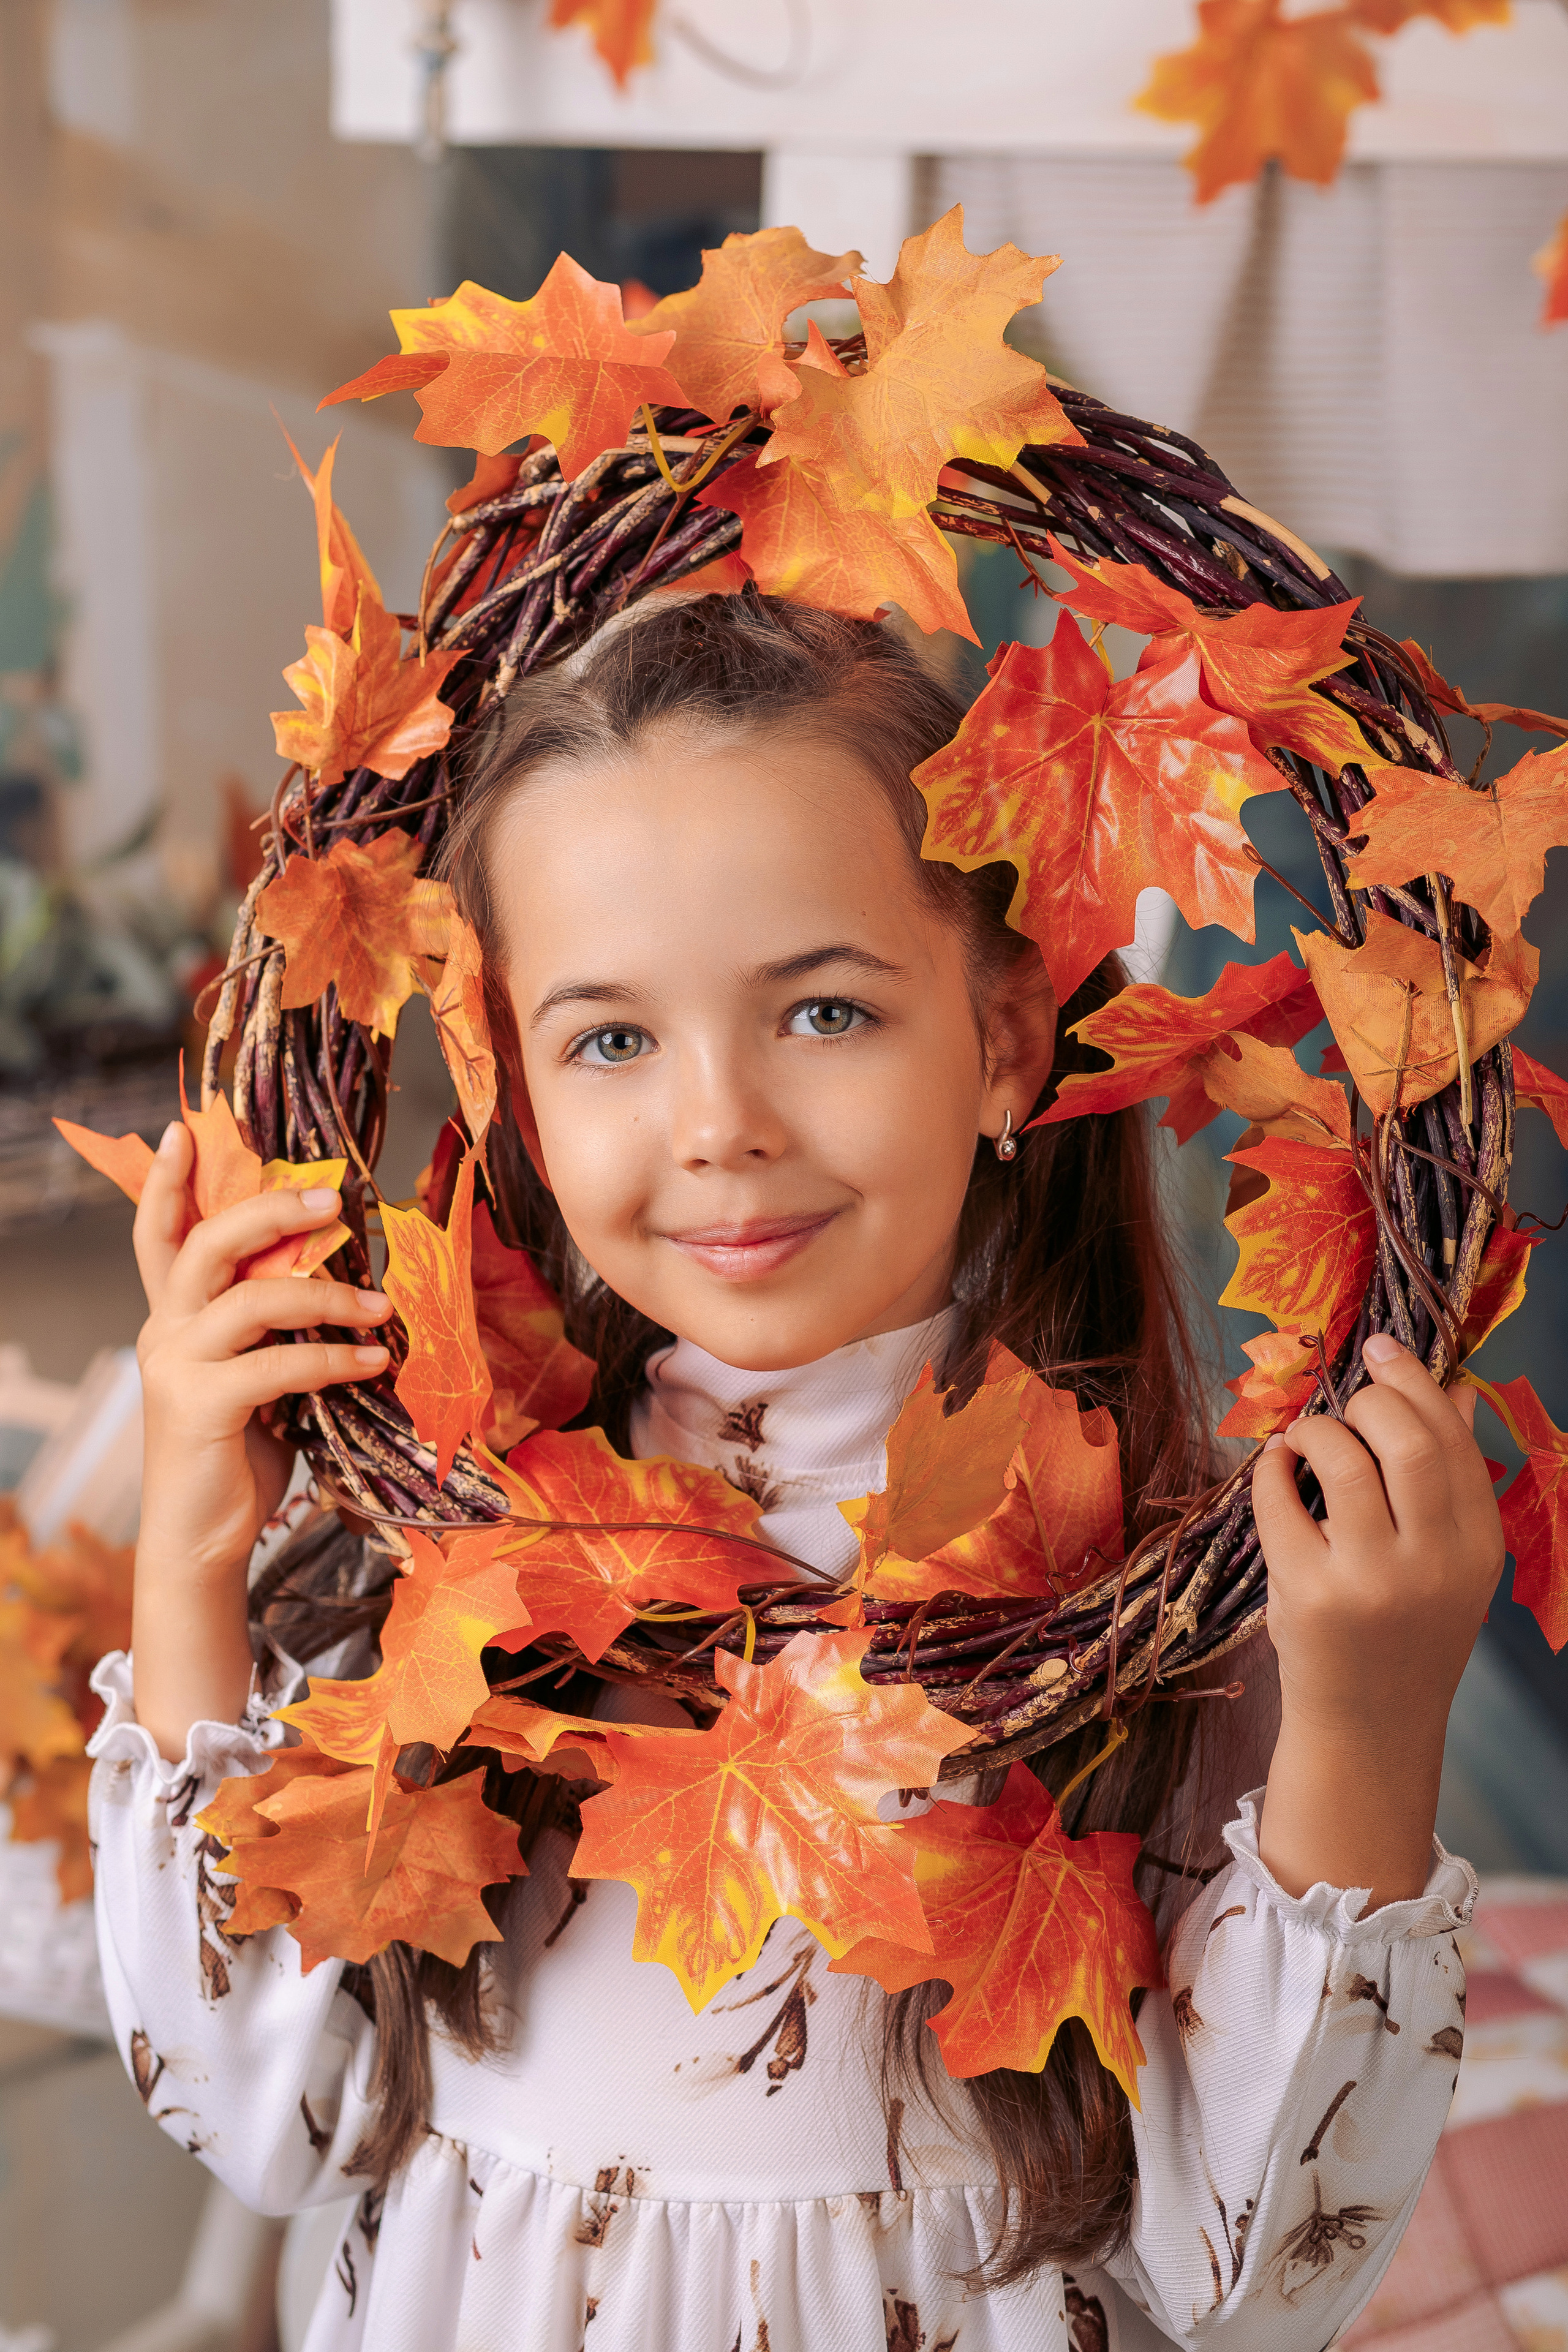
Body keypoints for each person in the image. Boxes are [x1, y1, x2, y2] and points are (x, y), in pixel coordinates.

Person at [89, 594, 1499, 2352]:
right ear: (514, 1085)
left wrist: (1364, 1729)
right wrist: (194, 1556)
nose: (719, 1123)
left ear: (1000, 1043)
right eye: (612, 1039)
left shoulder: (1178, 1603)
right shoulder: (448, 1560)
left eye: (823, 1014)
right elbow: (257, 2121)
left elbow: (1265, 2282)